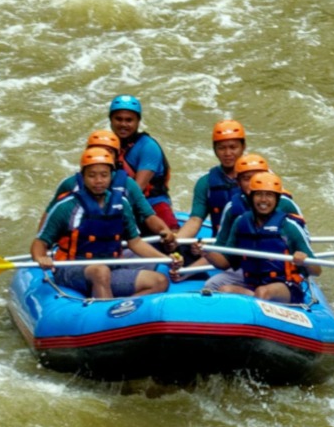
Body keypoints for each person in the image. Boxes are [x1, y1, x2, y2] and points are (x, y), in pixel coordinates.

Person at [32, 149, 173, 300]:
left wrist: (167, 259)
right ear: (83, 176)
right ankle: (107, 312)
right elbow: (39, 242)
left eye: (104, 175)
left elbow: (135, 242)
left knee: (159, 281)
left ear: (111, 177)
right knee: (100, 271)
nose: (98, 180)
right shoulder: (66, 207)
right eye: (92, 175)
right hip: (70, 269)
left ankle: (121, 309)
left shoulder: (121, 204)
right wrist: (41, 257)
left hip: (110, 267)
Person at [46, 129, 179, 247]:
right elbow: (50, 215)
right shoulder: (70, 184)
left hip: (115, 242)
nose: (101, 155)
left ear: (117, 156)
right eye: (96, 150)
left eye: (108, 152)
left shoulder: (128, 184)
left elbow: (148, 215)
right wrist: (44, 246)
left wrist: (164, 230)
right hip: (80, 245)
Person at [206, 171, 320, 302]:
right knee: (224, 291)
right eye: (259, 194)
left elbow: (317, 270)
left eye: (269, 195)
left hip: (286, 287)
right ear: (251, 197)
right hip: (252, 285)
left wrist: (304, 261)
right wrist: (205, 252)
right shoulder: (241, 223)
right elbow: (226, 263)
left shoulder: (289, 226)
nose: (264, 200)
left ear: (277, 200)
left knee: (263, 292)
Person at [107, 95, 177, 233]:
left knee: (171, 235)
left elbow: (136, 190)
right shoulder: (105, 145)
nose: (123, 124)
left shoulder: (148, 147)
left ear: (138, 121)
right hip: (118, 202)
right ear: (111, 120)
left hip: (152, 203)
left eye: (129, 120)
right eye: (118, 119)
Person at [178, 119, 246, 245]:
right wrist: (175, 242)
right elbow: (195, 220)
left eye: (233, 147)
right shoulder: (205, 183)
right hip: (219, 245)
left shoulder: (258, 178)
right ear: (214, 150)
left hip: (249, 246)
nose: (227, 153)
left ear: (243, 147)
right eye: (222, 148)